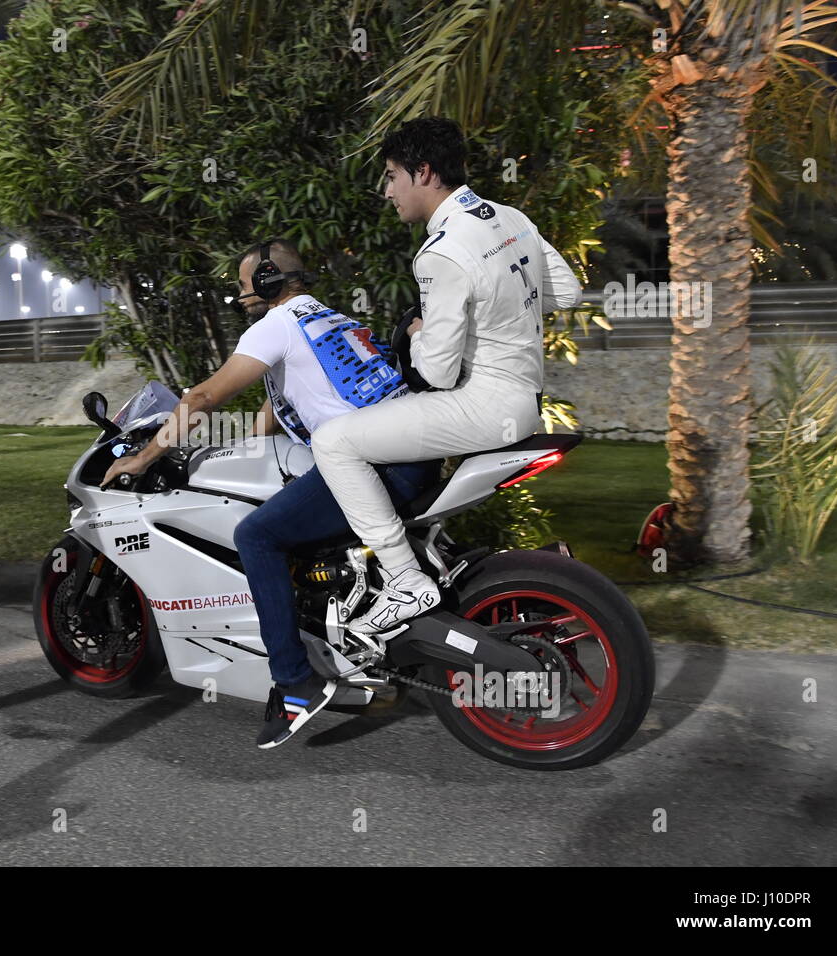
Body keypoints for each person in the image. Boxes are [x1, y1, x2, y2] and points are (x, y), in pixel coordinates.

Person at [102, 239, 436, 749]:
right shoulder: (324, 319)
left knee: (257, 536)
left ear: (268, 282)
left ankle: (296, 683)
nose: (239, 296)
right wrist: (232, 451)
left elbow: (206, 396)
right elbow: (274, 408)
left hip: (376, 464)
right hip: (410, 449)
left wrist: (143, 457)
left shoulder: (275, 325)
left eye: (243, 285)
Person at [310, 117, 583, 636]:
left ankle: (404, 578)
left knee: (333, 441)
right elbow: (566, 293)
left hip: (483, 407)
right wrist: (498, 311)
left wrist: (417, 330)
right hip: (525, 399)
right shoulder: (510, 217)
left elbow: (434, 371)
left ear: (424, 172)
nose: (387, 190)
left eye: (392, 176)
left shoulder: (440, 253)